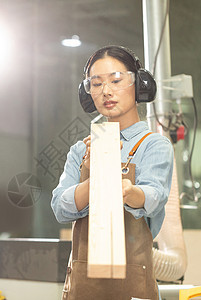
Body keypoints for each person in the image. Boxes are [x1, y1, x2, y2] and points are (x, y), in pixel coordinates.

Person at [51, 45, 174, 300]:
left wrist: (128, 191)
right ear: (88, 94)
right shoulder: (80, 151)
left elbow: (153, 196)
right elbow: (60, 207)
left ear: (139, 85)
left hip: (134, 285)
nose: (106, 91)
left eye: (116, 80)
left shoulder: (154, 144)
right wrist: (95, 174)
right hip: (83, 285)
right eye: (96, 84)